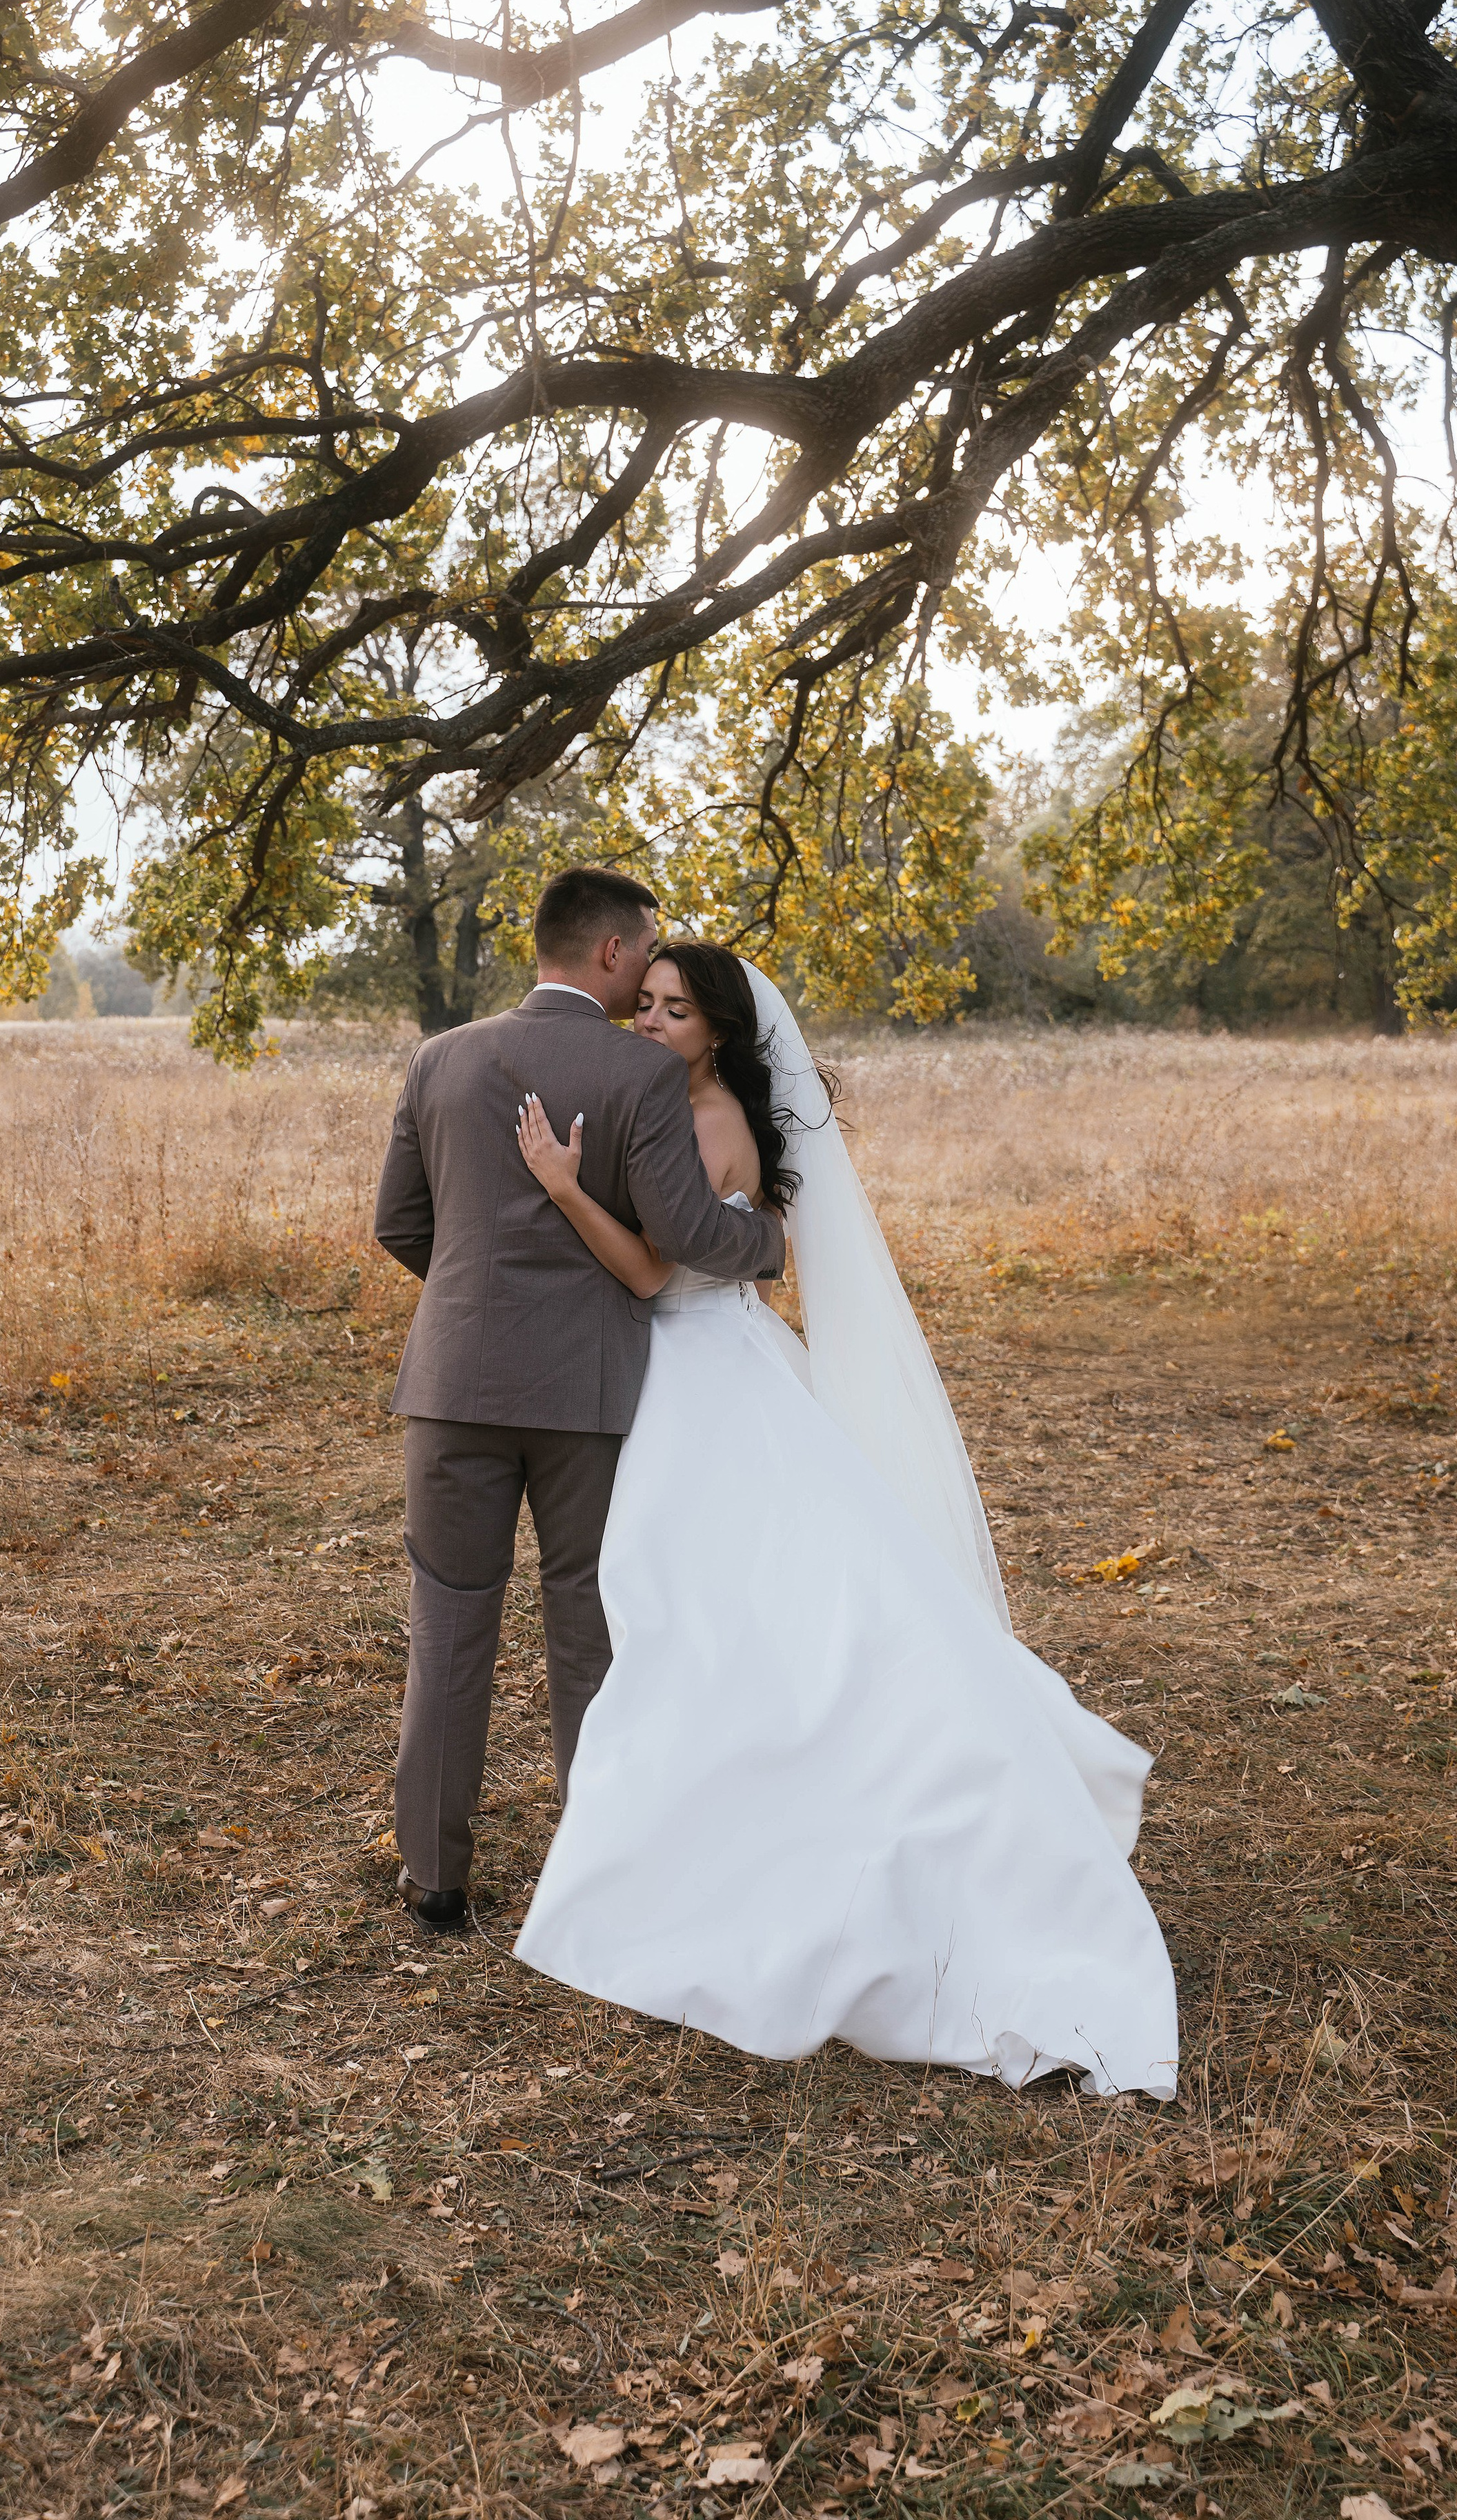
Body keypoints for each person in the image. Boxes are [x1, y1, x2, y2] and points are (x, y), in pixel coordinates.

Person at [509, 942, 1179, 2098]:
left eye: (675, 1011)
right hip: (721, 1370)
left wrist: (564, 1188)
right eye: (647, 1005)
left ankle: (736, 1862)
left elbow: (662, 1282)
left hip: (707, 1381)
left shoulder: (707, 1116)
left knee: (705, 1617)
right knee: (723, 1615)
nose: (652, 1025)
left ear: (718, 1030)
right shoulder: (678, 1101)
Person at [372, 871, 784, 1930]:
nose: (650, 976)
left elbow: (401, 1226)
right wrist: (770, 1239)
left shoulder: (438, 1058)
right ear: (610, 954)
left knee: (449, 1623)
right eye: (644, 954)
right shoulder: (636, 1072)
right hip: (585, 1391)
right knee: (584, 1631)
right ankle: (596, 1874)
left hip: (453, 1382)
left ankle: (434, 1883)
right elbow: (691, 1232)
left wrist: (478, 1302)